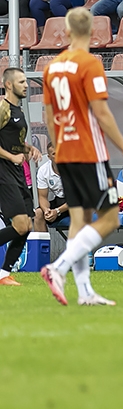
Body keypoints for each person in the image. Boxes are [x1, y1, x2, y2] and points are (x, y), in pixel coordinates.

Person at [40, 7, 123, 305]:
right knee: (110, 219)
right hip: (89, 152)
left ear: (68, 31)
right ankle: (57, 268)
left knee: (80, 219)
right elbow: (101, 112)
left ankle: (84, 291)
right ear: (93, 31)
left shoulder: (53, 66)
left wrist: (58, 146)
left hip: (64, 151)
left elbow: (49, 115)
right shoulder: (90, 64)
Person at [0, 68, 42, 286]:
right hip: (3, 172)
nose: (26, 85)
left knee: (27, 223)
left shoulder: (19, 111)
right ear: (8, 85)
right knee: (19, 224)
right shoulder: (3, 108)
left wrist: (27, 149)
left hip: (16, 172)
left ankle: (3, 273)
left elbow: (10, 140)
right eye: (21, 81)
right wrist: (11, 157)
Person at [33, 141, 68, 233]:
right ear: (49, 157)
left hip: (77, 203)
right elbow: (42, 197)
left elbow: (78, 198)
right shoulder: (43, 171)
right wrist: (46, 211)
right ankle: (43, 246)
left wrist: (57, 211)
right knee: (38, 213)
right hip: (60, 200)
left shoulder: (75, 168)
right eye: (54, 154)